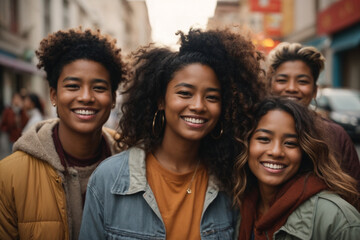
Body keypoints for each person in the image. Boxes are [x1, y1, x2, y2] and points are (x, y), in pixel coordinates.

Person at [79, 28, 265, 239]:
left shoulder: (233, 183)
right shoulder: (108, 179)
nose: (198, 106)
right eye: (185, 93)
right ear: (161, 100)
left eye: (212, 97)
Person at [0, 27, 127, 240]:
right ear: (53, 95)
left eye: (98, 87)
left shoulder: (136, 164)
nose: (86, 97)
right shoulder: (9, 177)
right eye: (73, 86)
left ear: (113, 99)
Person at [233, 97, 360, 240]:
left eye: (290, 143)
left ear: (305, 151)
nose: (276, 151)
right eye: (264, 139)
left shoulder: (337, 220)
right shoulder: (239, 206)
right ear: (246, 144)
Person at [266, 42, 360, 189]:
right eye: (282, 80)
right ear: (270, 85)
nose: (291, 88)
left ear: (315, 90)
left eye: (302, 81)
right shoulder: (252, 127)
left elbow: (354, 193)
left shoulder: (336, 136)